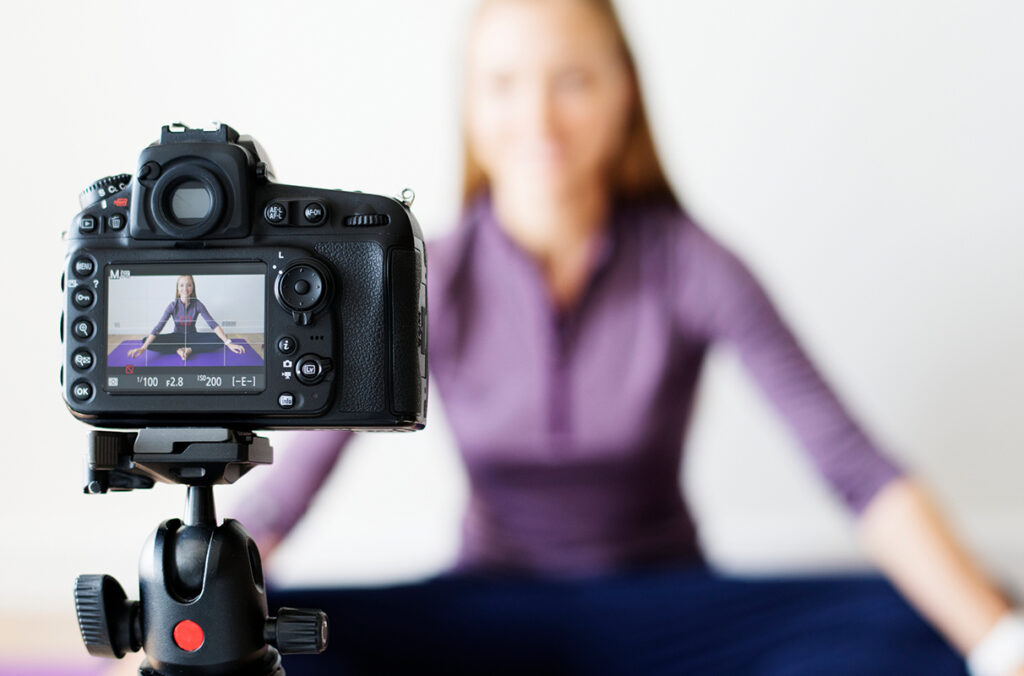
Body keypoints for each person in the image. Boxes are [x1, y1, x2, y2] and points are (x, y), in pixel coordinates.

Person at [235, 1, 1023, 673]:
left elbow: (857, 471)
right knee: (264, 632)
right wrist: (198, 609)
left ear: (623, 94)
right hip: (490, 617)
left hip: (667, 613)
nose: (538, 120)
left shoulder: (695, 264)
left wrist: (997, 641)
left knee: (926, 620)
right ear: (470, 105)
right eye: (504, 85)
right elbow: (288, 494)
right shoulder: (424, 276)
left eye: (573, 81)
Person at [126, 274, 246, 362]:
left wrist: (229, 343)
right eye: (182, 285)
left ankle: (190, 349)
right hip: (176, 337)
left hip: (193, 337)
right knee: (145, 340)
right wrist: (143, 348)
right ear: (178, 289)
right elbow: (158, 328)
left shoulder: (197, 304)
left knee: (221, 339)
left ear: (192, 288)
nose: (185, 288)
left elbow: (213, 324)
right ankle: (178, 349)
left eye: (189, 285)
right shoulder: (172, 306)